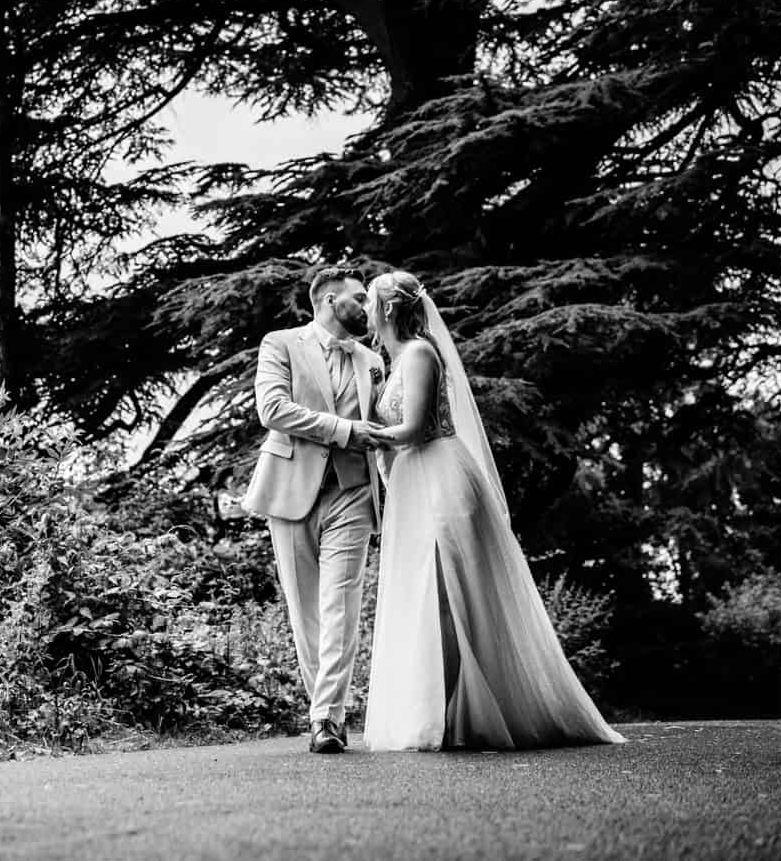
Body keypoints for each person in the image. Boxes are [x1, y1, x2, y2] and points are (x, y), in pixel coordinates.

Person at [362, 269, 625, 751]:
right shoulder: (391, 360)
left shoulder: (420, 352)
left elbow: (417, 428)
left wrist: (360, 434)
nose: (364, 310)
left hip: (439, 474)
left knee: (446, 590)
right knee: (423, 594)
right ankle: (439, 708)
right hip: (411, 482)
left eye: (370, 302)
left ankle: (460, 711)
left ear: (386, 309)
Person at [242, 265, 389, 754]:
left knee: (340, 606)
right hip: (290, 492)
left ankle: (327, 717)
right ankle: (321, 709)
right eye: (359, 297)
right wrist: (344, 431)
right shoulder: (280, 343)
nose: (367, 306)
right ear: (329, 300)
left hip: (354, 492)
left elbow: (386, 428)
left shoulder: (373, 360)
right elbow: (273, 411)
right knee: (305, 611)